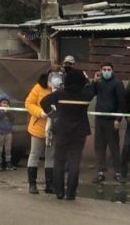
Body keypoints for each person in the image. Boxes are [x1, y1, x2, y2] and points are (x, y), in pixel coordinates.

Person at [40, 68, 94, 200]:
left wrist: (53, 115)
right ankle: (71, 193)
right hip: (79, 132)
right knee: (74, 162)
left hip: (62, 131)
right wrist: (87, 79)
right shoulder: (85, 95)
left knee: (59, 161)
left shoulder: (60, 93)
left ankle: (59, 191)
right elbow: (91, 88)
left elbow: (44, 102)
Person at [25, 70, 59, 194]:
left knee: (51, 156)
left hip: (54, 127)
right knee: (35, 154)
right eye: (53, 76)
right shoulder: (39, 87)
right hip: (38, 127)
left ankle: (50, 184)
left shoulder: (60, 89)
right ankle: (32, 184)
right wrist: (40, 112)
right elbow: (29, 103)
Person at [91, 62, 126, 183]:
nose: (106, 71)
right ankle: (100, 172)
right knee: (99, 146)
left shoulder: (117, 83)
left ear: (112, 70)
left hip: (111, 120)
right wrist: (94, 81)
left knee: (114, 147)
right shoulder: (99, 82)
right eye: (104, 69)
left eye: (108, 69)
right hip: (99, 119)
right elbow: (90, 93)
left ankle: (118, 172)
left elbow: (122, 102)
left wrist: (118, 119)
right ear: (100, 70)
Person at [0, 94, 16, 172]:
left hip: (8, 132)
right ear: (0, 103)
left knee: (8, 149)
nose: (5, 104)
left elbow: (12, 119)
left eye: (6, 103)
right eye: (3, 103)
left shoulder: (10, 111)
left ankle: (8, 163)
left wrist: (8, 112)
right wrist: (3, 112)